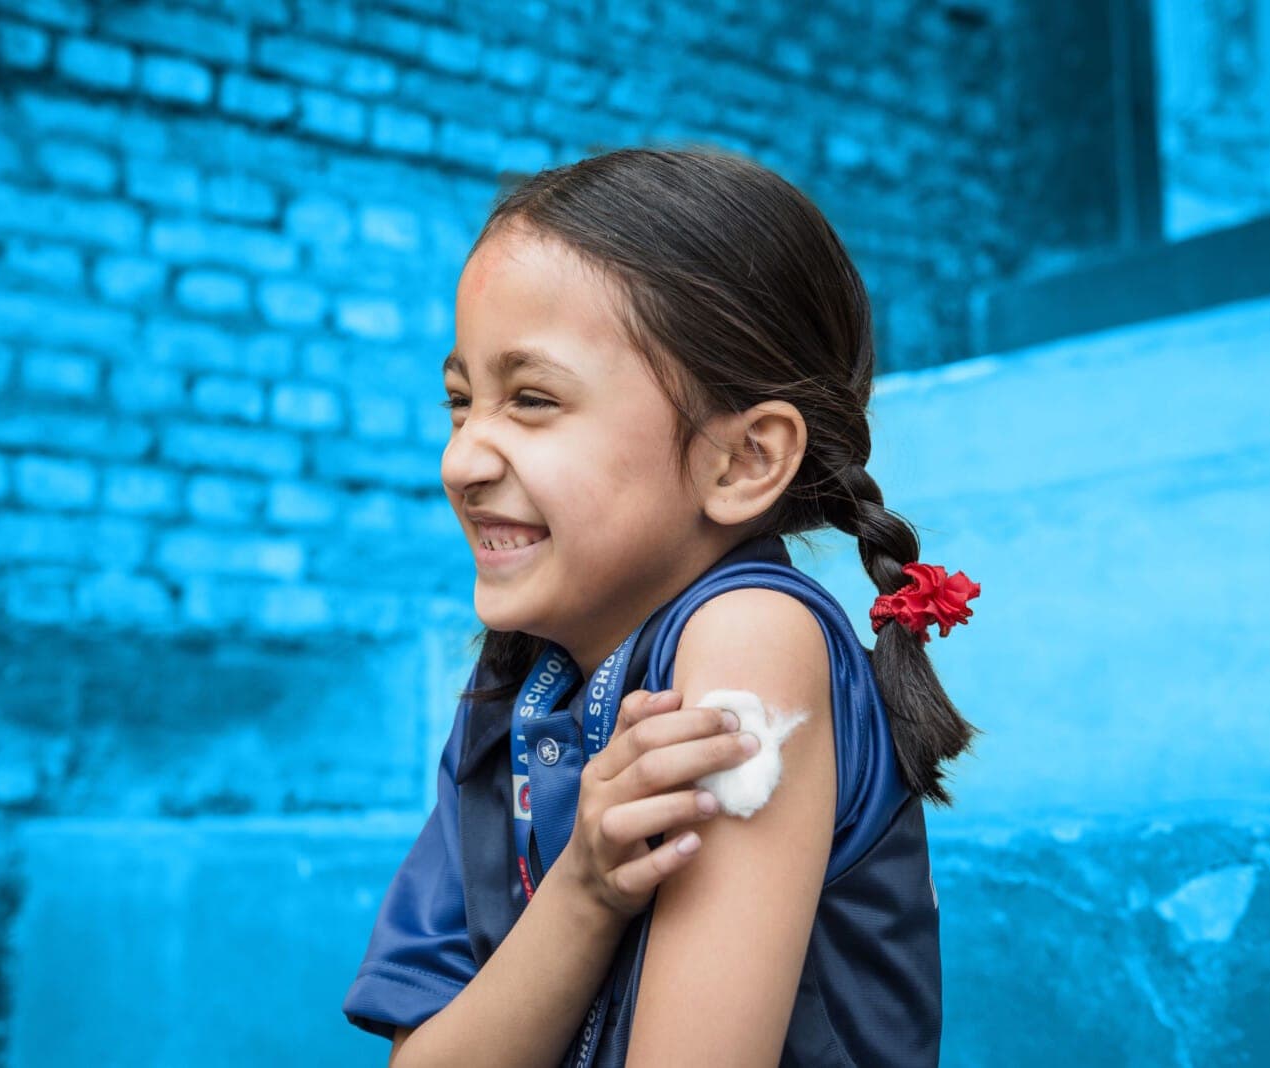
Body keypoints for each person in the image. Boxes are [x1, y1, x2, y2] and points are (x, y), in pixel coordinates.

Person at [342, 147, 982, 1067]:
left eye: (531, 399)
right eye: (459, 403)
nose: (462, 461)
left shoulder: (750, 641)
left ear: (744, 460)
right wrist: (584, 896)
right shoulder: (513, 691)